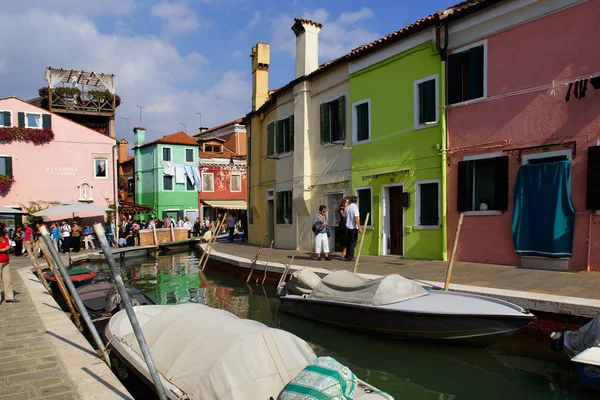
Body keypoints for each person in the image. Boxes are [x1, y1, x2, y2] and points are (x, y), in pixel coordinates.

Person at [0, 223, 18, 303]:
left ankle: (9, 297)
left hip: (6, 261)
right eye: (4, 228)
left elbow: (7, 247)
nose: (6, 229)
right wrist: (4, 249)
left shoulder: (5, 237)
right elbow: (4, 248)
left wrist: (9, 249)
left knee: (7, 280)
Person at [344, 196, 363, 262]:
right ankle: (350, 256)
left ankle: (347, 255)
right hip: (353, 227)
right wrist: (360, 227)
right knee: (353, 242)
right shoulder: (355, 208)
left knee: (349, 241)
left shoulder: (347, 208)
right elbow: (356, 218)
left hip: (347, 227)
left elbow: (345, 217)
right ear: (356, 201)